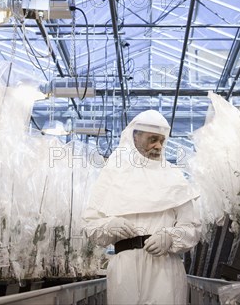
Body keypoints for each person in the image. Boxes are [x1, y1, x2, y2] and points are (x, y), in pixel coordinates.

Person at [82, 110, 201, 304]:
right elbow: (90, 226)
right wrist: (109, 225)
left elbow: (193, 228)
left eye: (162, 141)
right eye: (152, 139)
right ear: (135, 137)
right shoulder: (112, 174)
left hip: (164, 268)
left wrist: (170, 237)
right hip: (124, 268)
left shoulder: (174, 177)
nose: (158, 146)